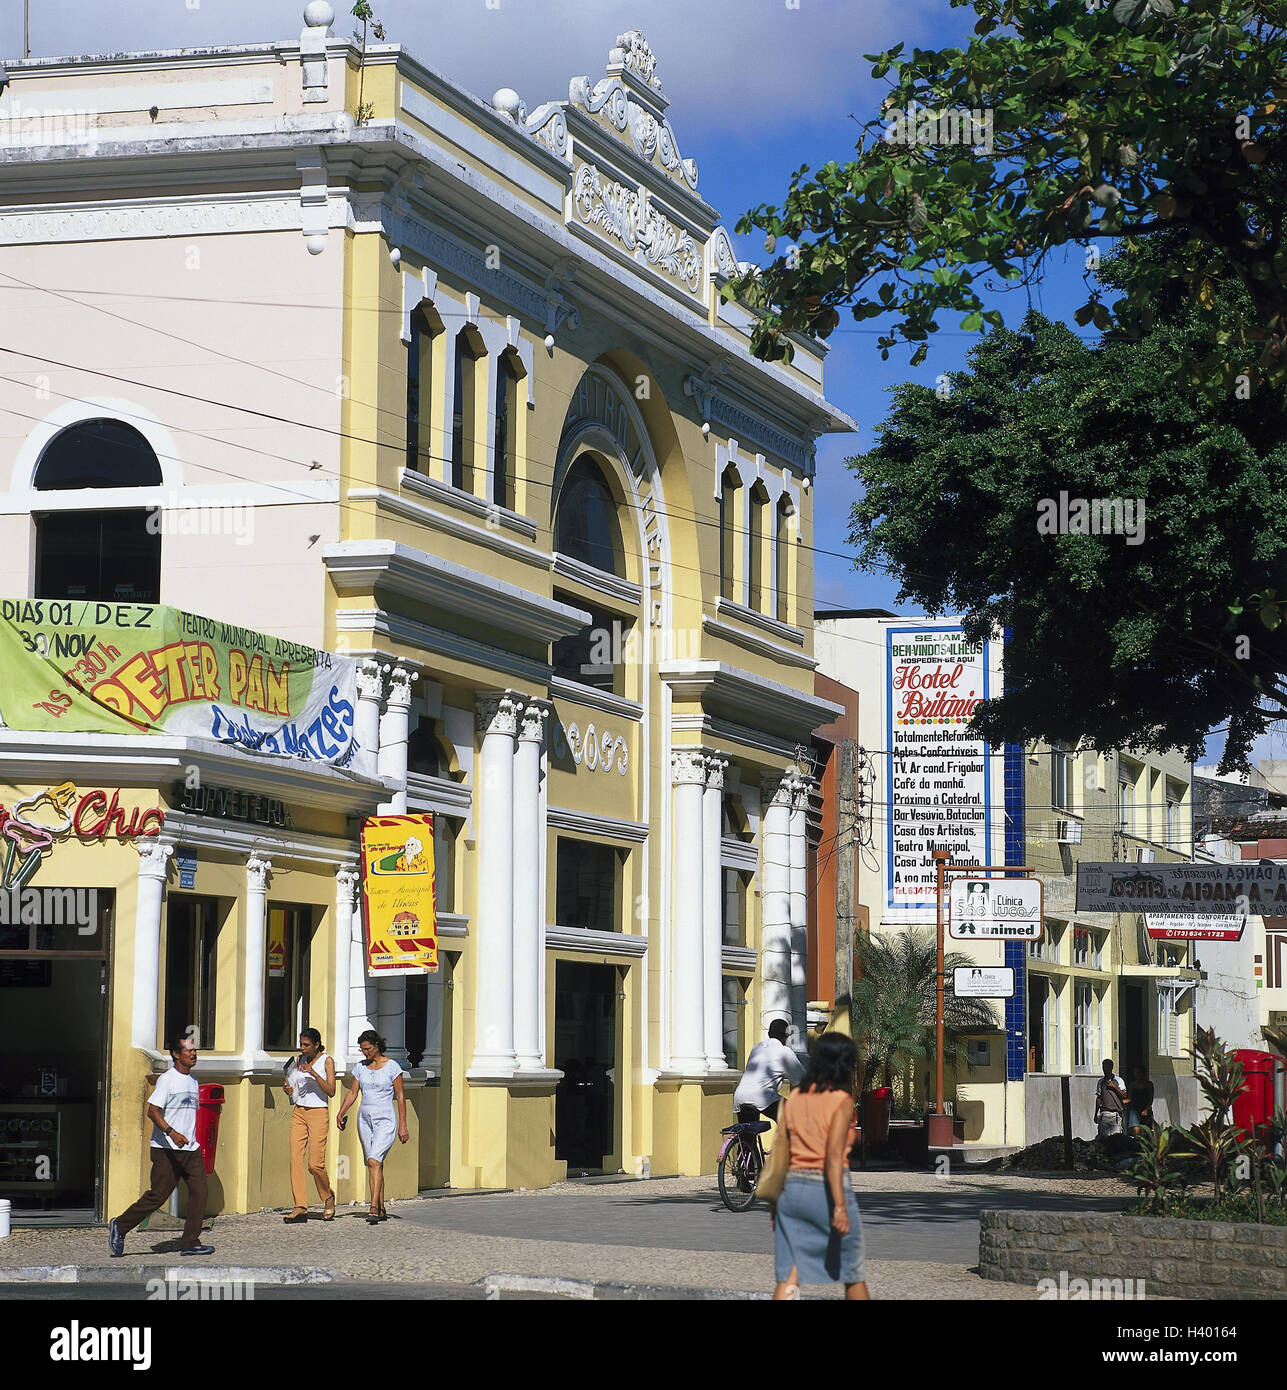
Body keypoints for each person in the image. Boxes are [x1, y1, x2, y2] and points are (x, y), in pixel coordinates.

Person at [767, 1031, 868, 1301]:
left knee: (790, 1274)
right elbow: (833, 1156)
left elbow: (783, 1150)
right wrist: (839, 1207)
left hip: (791, 1190)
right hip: (824, 1190)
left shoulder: (796, 1098)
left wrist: (776, 1204)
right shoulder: (841, 1101)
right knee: (852, 1274)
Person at [108, 1036, 213, 1257]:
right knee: (158, 1195)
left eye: (195, 1051)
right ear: (176, 1054)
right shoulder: (168, 1080)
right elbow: (153, 1111)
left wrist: (191, 1139)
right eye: (188, 1051)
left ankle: (190, 1242)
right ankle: (120, 1225)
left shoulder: (193, 1081)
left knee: (200, 1192)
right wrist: (171, 1133)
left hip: (190, 1149)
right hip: (166, 1148)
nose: (194, 1054)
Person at [335, 1029, 407, 1222]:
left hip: (385, 1119)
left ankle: (373, 1206)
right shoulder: (360, 1067)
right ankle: (381, 1207)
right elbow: (352, 1092)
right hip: (364, 1120)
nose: (365, 1052)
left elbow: (400, 1097)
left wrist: (403, 1125)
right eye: (362, 1049)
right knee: (373, 1164)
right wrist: (341, 1112)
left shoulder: (392, 1067)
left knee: (375, 1160)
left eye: (367, 1048)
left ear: (377, 1046)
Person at [282, 1027, 336, 1223]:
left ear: (316, 1045)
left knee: (315, 1164)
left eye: (306, 1045)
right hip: (299, 1111)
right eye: (301, 1044)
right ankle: (300, 1206)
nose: (302, 1048)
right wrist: (289, 1089)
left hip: (318, 1112)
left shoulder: (326, 1061)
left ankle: (328, 1196)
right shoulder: (298, 1060)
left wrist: (313, 1072)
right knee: (295, 1158)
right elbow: (295, 1086)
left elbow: (331, 1091)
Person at [733, 1019, 805, 1125]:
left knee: (747, 1137)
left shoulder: (757, 1048)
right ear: (786, 1036)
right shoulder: (784, 1051)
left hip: (740, 1096)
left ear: (769, 1033)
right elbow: (801, 1079)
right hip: (762, 1097)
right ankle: (786, 1141)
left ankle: (744, 1142)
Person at [1095, 1058, 1128, 1139]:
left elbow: (1124, 1095)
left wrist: (1114, 1087)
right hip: (1105, 1113)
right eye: (1104, 1067)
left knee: (1116, 1138)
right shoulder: (1101, 1082)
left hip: (1116, 1114)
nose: (1105, 1069)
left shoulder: (1118, 1080)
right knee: (1103, 1137)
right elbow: (1099, 1098)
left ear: (1111, 1068)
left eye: (1107, 1067)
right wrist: (1096, 1113)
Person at [1127, 1066, 1155, 1137]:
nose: (1137, 1075)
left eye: (1138, 1073)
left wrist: (1146, 1109)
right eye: (1135, 1073)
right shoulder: (1132, 1085)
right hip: (1135, 1109)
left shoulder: (1149, 1084)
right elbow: (1130, 1098)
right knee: (1136, 1131)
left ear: (1143, 1074)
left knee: (1147, 1132)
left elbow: (1151, 1099)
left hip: (1145, 1109)